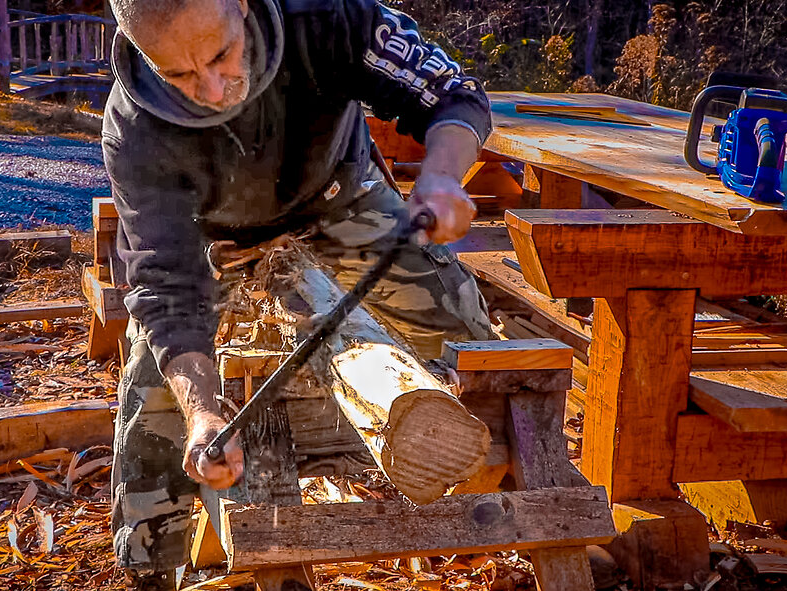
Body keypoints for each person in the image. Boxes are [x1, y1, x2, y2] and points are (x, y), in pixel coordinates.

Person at [101, 0, 496, 586]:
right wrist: (203, 412)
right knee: (152, 408)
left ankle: (504, 501)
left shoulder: (326, 16)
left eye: (220, 54)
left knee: (469, 335)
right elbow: (166, 288)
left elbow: (450, 94)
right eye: (179, 74)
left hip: (340, 200)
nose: (211, 88)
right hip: (215, 240)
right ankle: (150, 568)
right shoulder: (134, 126)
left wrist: (439, 175)